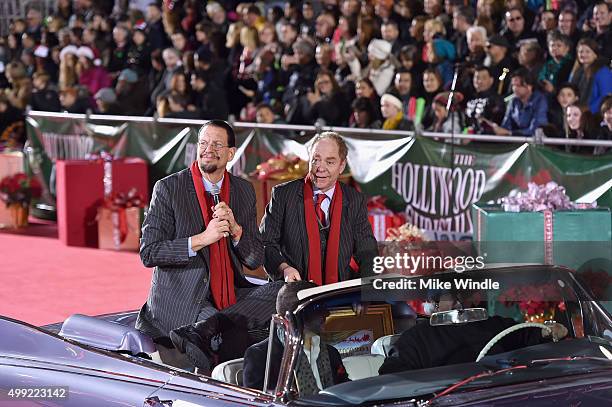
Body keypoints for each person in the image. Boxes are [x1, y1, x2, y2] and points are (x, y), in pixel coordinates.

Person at [136, 120, 283, 365]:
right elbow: (149, 252)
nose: (208, 149)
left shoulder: (243, 190)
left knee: (285, 292)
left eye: (216, 144)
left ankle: (213, 330)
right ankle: (211, 336)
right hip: (183, 298)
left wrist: (236, 231)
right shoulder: (169, 188)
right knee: (226, 335)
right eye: (203, 143)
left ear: (230, 153)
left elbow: (255, 259)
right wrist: (202, 239)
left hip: (229, 293)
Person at [260, 132, 377, 284]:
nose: (320, 168)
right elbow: (265, 243)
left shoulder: (354, 200)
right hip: (291, 288)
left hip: (338, 288)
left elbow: (367, 252)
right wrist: (284, 269)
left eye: (330, 162)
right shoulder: (283, 195)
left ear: (342, 166)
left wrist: (366, 292)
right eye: (316, 160)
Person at [379, 290, 569, 374]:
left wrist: (547, 331)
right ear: (434, 305)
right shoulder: (416, 338)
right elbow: (394, 377)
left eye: (463, 295)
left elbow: (528, 336)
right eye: (451, 296)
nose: (458, 302)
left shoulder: (495, 325)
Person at [242, 281, 349, 394]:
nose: (326, 313)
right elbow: (257, 400)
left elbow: (346, 390)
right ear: (294, 316)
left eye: (324, 306)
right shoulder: (261, 355)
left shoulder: (331, 353)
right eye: (317, 307)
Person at [489, 69, 548, 137]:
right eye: (513, 85)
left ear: (529, 86)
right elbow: (506, 125)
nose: (515, 89)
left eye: (518, 85)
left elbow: (536, 129)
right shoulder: (513, 101)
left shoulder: (540, 100)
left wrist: (510, 133)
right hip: (517, 141)